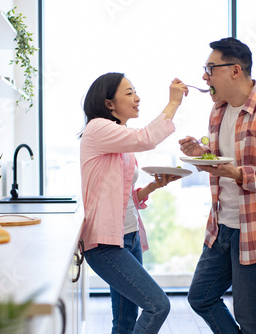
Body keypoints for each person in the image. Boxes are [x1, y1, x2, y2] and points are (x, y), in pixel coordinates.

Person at [179, 37, 256, 334]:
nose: (204, 77)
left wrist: (238, 174)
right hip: (222, 225)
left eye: (210, 68)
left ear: (235, 70)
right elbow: (224, 162)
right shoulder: (218, 111)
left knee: (249, 317)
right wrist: (201, 155)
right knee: (201, 297)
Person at [80, 72, 188, 333]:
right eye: (129, 93)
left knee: (126, 322)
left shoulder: (118, 134)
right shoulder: (98, 128)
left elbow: (123, 195)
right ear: (109, 104)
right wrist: (173, 102)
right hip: (106, 244)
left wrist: (153, 186)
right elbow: (146, 138)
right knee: (158, 305)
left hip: (128, 238)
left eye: (135, 91)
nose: (137, 98)